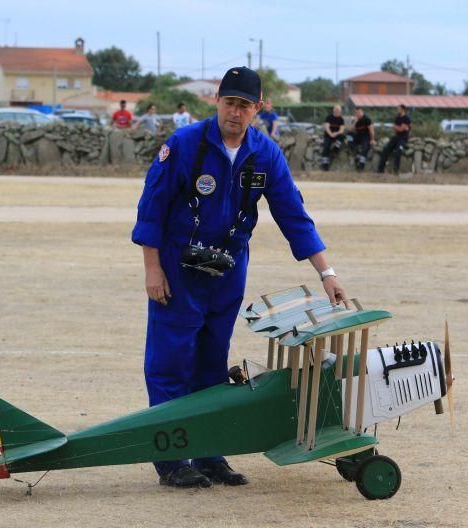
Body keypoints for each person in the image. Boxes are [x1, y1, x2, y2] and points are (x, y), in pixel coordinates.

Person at [131, 66, 347, 489]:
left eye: (245, 105)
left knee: (212, 363)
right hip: (178, 269)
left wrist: (328, 273)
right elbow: (151, 208)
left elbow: (293, 216)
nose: (235, 112)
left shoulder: (265, 154)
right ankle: (171, 459)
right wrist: (152, 269)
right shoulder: (185, 144)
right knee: (171, 361)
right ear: (216, 101)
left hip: (227, 270)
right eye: (229, 102)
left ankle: (210, 453)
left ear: (258, 109)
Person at [377, 104, 411, 174]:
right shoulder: (397, 118)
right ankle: (380, 170)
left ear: (402, 109)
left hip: (403, 138)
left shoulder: (407, 118)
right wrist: (399, 128)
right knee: (386, 149)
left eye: (398, 109)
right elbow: (396, 129)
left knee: (398, 151)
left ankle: (396, 170)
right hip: (396, 137)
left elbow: (401, 129)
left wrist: (398, 128)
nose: (397, 110)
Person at [319, 105, 345, 171]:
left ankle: (336, 148)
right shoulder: (329, 117)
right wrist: (330, 134)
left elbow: (341, 130)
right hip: (328, 135)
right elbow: (326, 127)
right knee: (326, 147)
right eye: (336, 110)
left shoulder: (341, 119)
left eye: (339, 111)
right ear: (333, 110)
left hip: (336, 135)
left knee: (342, 136)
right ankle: (325, 165)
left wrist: (335, 134)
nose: (338, 112)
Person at [349, 107, 375, 172]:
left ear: (362, 112)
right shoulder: (355, 120)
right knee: (348, 135)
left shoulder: (367, 119)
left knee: (365, 149)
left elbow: (371, 131)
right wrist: (355, 122)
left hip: (366, 136)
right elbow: (351, 130)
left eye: (359, 113)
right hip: (358, 136)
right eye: (356, 113)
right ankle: (356, 153)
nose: (357, 114)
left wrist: (372, 139)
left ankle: (361, 166)